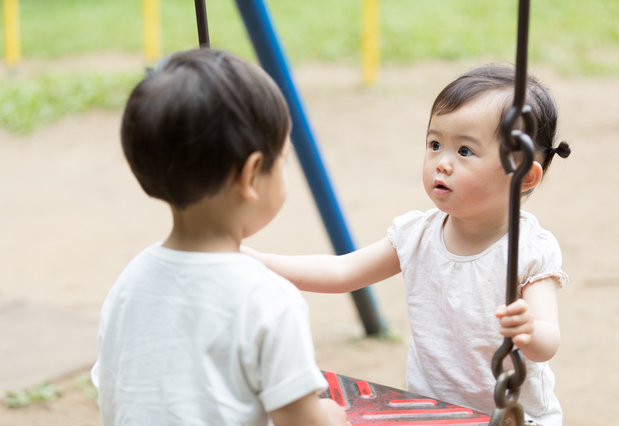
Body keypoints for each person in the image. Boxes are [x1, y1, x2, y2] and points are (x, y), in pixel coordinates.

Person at [243, 65, 571, 426]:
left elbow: (548, 342)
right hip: (432, 413)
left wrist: (528, 330)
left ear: (524, 175)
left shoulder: (529, 249)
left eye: (464, 150)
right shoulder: (416, 233)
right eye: (434, 145)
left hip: (510, 418)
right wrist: (257, 261)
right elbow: (343, 272)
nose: (441, 163)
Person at [90, 49, 350, 426]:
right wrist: (330, 415)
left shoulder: (130, 282)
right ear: (251, 174)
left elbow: (119, 394)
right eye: (285, 157)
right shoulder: (268, 298)